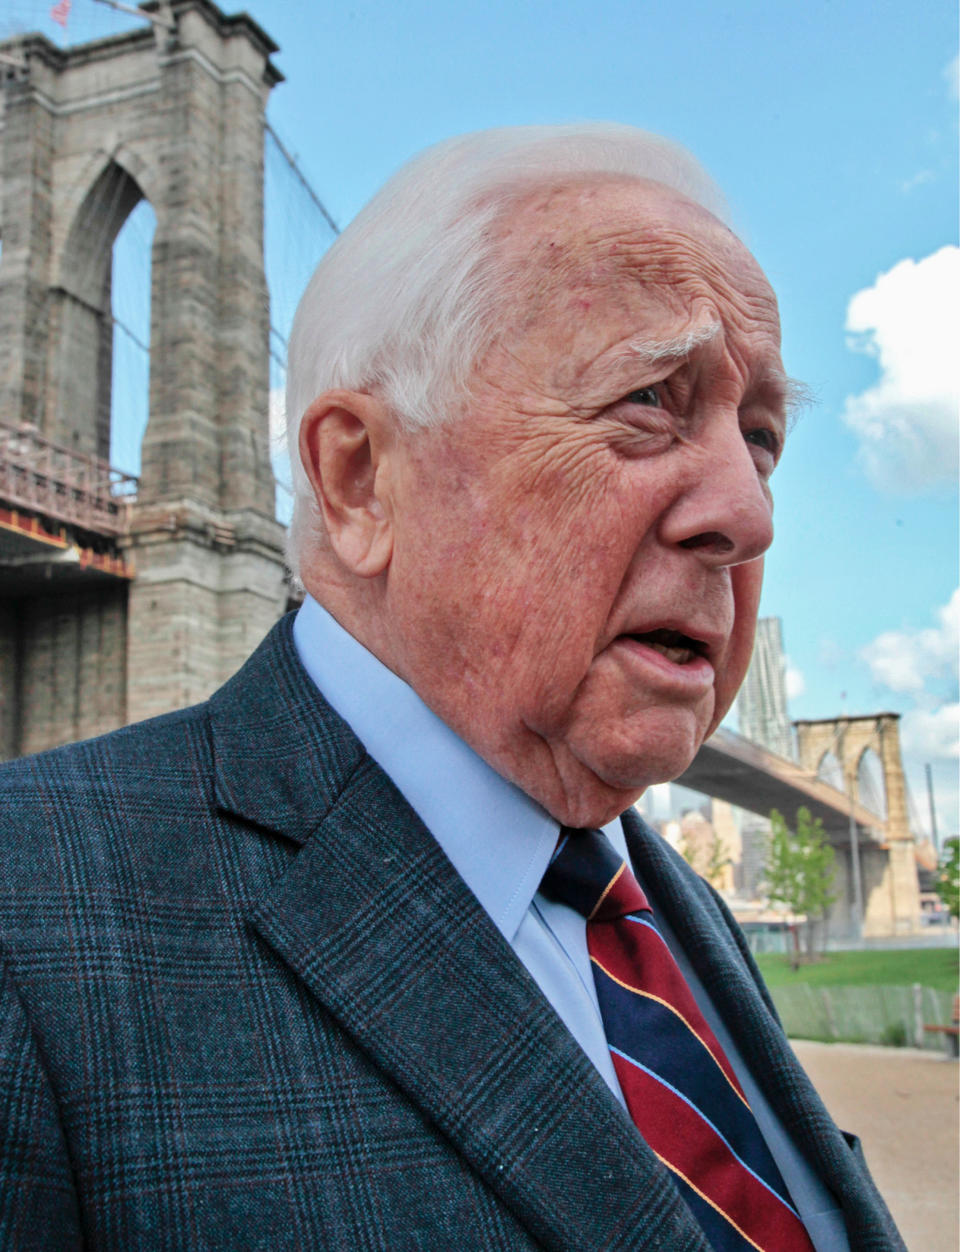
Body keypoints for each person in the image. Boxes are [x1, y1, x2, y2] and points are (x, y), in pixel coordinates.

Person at [0, 125, 903, 1250]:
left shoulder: (683, 921)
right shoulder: (30, 917)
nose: (750, 510)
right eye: (648, 401)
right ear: (360, 478)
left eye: (760, 435)